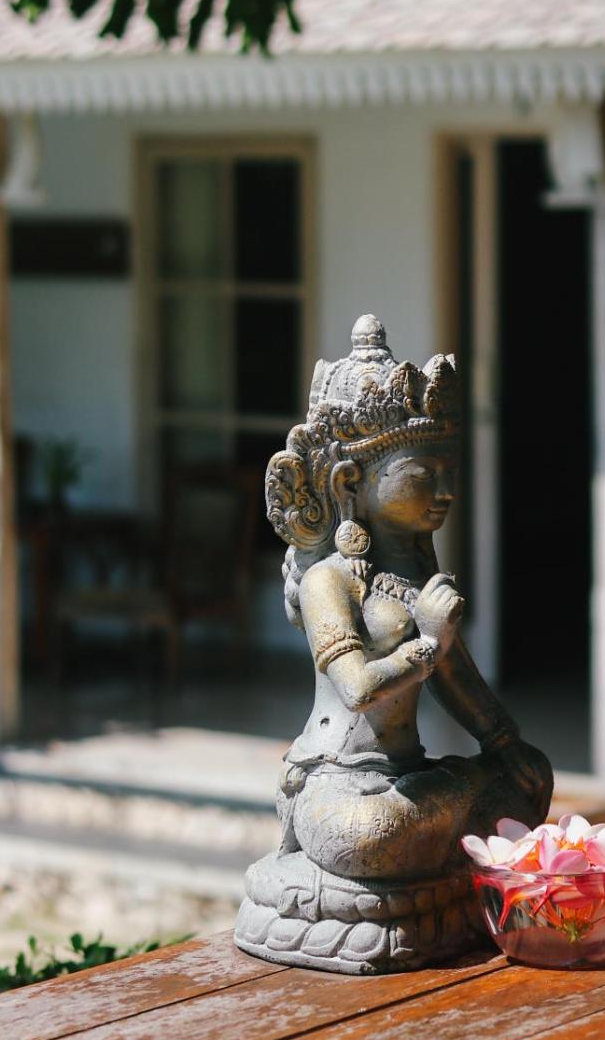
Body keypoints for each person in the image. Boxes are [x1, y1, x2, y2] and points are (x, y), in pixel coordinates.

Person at [236, 314, 552, 972]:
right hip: (342, 789)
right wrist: (427, 643)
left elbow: (457, 679)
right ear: (351, 482)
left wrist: (505, 745)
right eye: (422, 473)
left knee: (530, 782)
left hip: (413, 780)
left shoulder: (416, 577)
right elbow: (356, 688)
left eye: (448, 472)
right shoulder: (329, 582)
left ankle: (440, 846)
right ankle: (415, 868)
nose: (445, 491)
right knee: (377, 835)